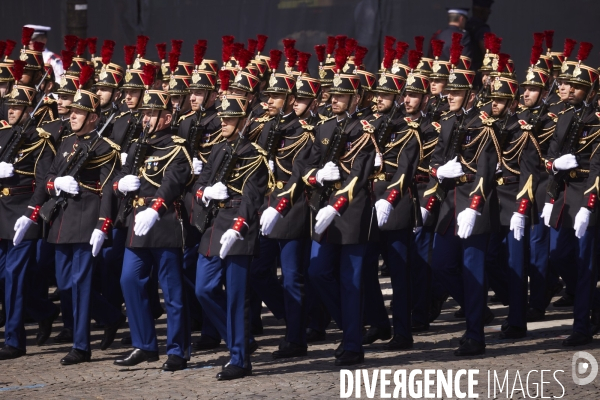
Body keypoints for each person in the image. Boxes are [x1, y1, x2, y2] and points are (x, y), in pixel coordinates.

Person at [422, 40, 499, 356]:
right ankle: (476, 310)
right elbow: (435, 160)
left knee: (472, 271)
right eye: (448, 91)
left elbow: (486, 167)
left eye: (455, 91)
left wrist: (475, 205)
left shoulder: (484, 123)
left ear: (469, 93)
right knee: (441, 265)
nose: (448, 95)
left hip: (472, 206)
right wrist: (439, 172)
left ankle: (474, 335)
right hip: (449, 207)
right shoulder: (449, 122)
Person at [43, 67, 124, 365]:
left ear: (93, 116)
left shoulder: (104, 148)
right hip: (63, 219)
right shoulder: (66, 142)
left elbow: (107, 189)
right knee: (65, 284)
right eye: (72, 111)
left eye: (79, 112)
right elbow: (50, 176)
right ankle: (110, 315)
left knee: (80, 283)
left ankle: (81, 346)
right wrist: (56, 184)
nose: (72, 115)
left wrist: (103, 226)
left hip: (86, 218)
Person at [112, 81, 192, 371]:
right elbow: (120, 175)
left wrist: (155, 208)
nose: (146, 118)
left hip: (164, 222)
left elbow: (173, 182)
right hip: (137, 221)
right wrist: (120, 184)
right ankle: (144, 344)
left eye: (153, 113)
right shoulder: (137, 145)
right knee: (129, 280)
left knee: (171, 292)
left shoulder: (177, 148)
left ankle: (177, 351)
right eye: (145, 112)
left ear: (167, 118)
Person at [303, 51, 375, 366]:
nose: (334, 101)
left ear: (355, 97)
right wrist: (316, 176)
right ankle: (351, 328)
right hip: (325, 210)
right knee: (318, 271)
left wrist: (337, 204)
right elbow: (307, 164)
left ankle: (353, 345)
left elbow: (359, 175)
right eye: (333, 95)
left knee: (351, 280)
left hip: (352, 212)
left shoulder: (364, 129)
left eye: (342, 96)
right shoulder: (324, 127)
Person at [194, 89, 269, 380]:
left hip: (239, 227)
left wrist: (238, 227)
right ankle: (239, 338)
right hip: (214, 225)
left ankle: (239, 359)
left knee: (237, 297)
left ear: (242, 122)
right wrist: (205, 193)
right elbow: (200, 183)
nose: (222, 123)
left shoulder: (254, 155)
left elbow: (252, 197)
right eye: (222, 118)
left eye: (229, 119)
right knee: (203, 288)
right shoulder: (217, 149)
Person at [251, 51, 312, 359]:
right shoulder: (265, 126)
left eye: (277, 95)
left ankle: (295, 338)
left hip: (290, 211)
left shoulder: (302, 132)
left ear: (290, 99)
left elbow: (299, 175)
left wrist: (280, 205)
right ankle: (295, 321)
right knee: (259, 272)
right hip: (265, 208)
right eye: (269, 95)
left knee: (291, 277)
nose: (270, 100)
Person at [0, 67, 60, 359]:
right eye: (10, 106)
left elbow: (43, 181)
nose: (12, 111)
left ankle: (14, 341)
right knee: (3, 277)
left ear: (28, 111)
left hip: (21, 215)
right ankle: (44, 310)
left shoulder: (40, 140)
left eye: (18, 107)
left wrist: (31, 213)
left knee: (13, 275)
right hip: (0, 213)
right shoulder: (1, 134)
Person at [543, 43, 600, 346]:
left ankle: (581, 327)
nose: (572, 90)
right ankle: (592, 300)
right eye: (571, 86)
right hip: (565, 194)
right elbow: (549, 155)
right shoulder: (564, 116)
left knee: (585, 261)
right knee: (559, 255)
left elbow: (599, 165)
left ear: (590, 91)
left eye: (579, 87)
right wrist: (555, 166)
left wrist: (590, 204)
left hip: (588, 195)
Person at [372, 50, 428, 350]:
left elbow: (406, 168)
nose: (379, 99)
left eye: (387, 95)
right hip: (367, 204)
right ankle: (379, 322)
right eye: (377, 94)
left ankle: (403, 331)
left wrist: (390, 199)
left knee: (398, 272)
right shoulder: (368, 124)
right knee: (365, 270)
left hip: (395, 206)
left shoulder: (407, 128)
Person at [488, 58, 541, 339]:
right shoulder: (488, 127)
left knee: (516, 263)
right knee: (491, 259)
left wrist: (522, 209)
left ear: (511, 102)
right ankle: (515, 302)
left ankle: (518, 319)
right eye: (492, 99)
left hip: (513, 197)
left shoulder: (523, 129)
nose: (494, 104)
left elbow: (530, 174)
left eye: (499, 100)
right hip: (491, 200)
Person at [465, 0, 493, 73]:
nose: (489, 13)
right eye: (488, 11)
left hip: (464, 69)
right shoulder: (482, 28)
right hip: (477, 71)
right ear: (483, 11)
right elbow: (487, 51)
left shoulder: (465, 25)